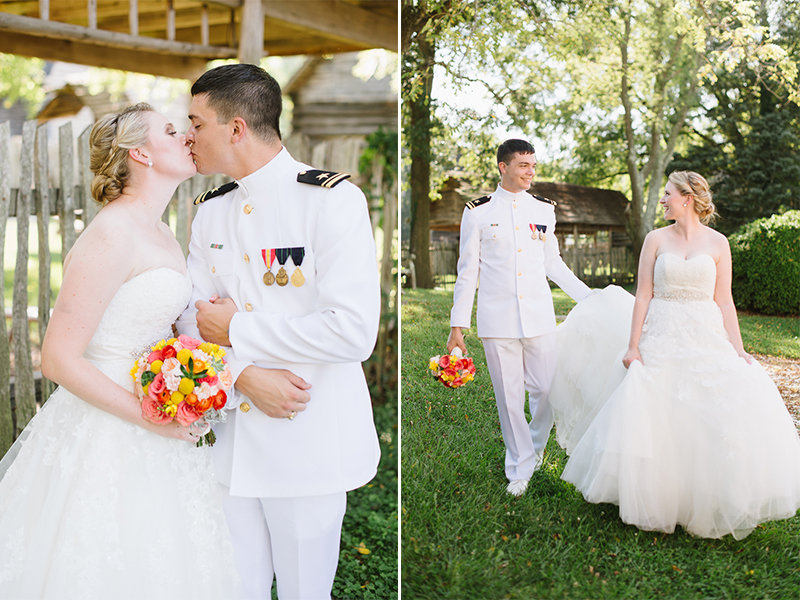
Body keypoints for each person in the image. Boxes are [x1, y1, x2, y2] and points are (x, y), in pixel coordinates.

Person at [0, 103, 239, 598]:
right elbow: (58, 358)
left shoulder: (162, 231)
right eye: (172, 131)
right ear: (142, 155)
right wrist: (149, 416)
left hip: (163, 417)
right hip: (108, 426)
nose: (187, 137)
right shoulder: (110, 235)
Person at [175, 64, 381, 599]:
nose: (187, 135)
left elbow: (353, 332)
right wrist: (242, 374)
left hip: (306, 443)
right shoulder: (210, 213)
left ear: (236, 127)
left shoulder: (331, 200)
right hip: (230, 444)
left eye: (196, 123)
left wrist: (237, 327)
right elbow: (188, 321)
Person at [550, 171, 800, 539]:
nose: (663, 200)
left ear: (687, 198)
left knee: (710, 406)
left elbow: (725, 300)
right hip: (661, 330)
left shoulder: (719, 244)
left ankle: (704, 496)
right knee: (655, 410)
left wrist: (739, 347)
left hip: (705, 331)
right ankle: (657, 495)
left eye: (667, 194)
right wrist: (634, 346)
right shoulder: (655, 239)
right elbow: (644, 294)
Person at [447, 139, 591, 497]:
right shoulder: (477, 211)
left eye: (533, 165)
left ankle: (536, 450)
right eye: (524, 165)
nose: (530, 172)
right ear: (503, 167)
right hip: (497, 322)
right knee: (509, 399)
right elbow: (467, 272)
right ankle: (520, 468)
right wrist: (457, 326)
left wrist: (589, 298)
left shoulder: (544, 210)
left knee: (545, 390)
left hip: (539, 318)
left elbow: (552, 263)